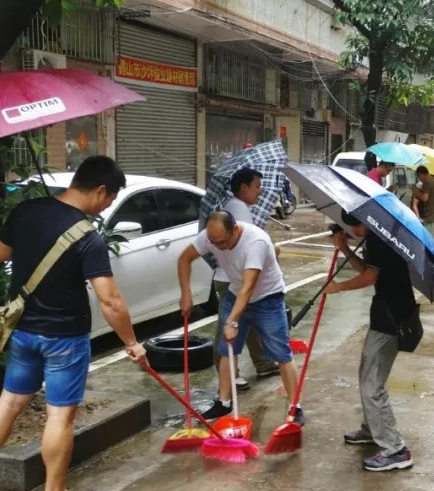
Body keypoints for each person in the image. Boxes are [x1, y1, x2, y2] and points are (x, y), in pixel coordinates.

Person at [0, 156, 149, 491]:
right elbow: (109, 299)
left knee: (10, 401)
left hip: (24, 331)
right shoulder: (87, 237)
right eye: (109, 199)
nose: (107, 206)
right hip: (65, 338)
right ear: (99, 190)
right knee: (60, 415)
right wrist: (131, 343)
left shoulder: (27, 211)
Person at [177, 211, 303, 423]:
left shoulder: (256, 241)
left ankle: (295, 407)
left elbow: (249, 286)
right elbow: (184, 259)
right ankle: (224, 402)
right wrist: (186, 294)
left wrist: (232, 321)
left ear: (235, 229)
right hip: (236, 292)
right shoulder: (212, 237)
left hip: (267, 297)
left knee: (281, 353)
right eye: (213, 242)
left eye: (223, 242)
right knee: (227, 349)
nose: (218, 247)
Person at [325, 211, 415, 472]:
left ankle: (395, 448)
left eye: (355, 227)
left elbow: (368, 278)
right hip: (386, 316)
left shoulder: (379, 240)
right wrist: (344, 248)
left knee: (371, 384)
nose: (355, 232)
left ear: (364, 222)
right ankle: (371, 429)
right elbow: (367, 269)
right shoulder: (378, 237)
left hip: (392, 320)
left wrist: (338, 287)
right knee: (367, 374)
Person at [211, 167, 280, 393]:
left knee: (246, 322)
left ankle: (263, 364)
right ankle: (231, 374)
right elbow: (243, 248)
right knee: (230, 324)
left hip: (236, 277)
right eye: (257, 187)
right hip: (231, 279)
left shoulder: (238, 207)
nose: (259, 192)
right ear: (244, 187)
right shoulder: (237, 210)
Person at [413, 166, 434, 245]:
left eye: (418, 176)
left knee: (429, 243)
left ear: (421, 174)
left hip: (433, 218)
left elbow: (425, 198)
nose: (419, 179)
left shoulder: (427, 182)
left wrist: (417, 193)